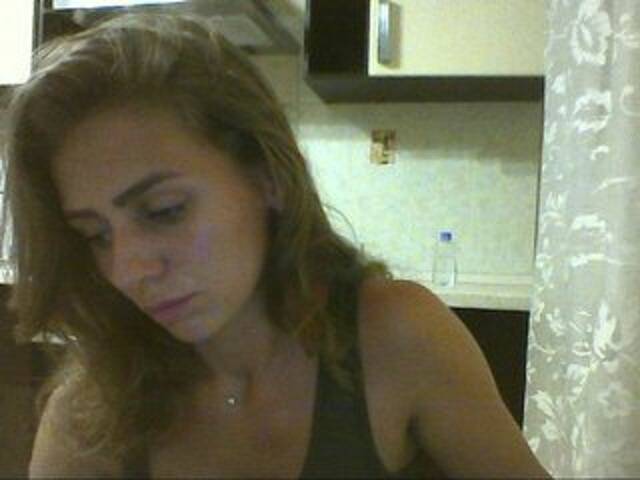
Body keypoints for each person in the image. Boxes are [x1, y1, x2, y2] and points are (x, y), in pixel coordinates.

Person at [4, 12, 551, 479]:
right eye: (95, 235)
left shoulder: (394, 337)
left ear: (267, 177)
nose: (128, 269)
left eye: (165, 210)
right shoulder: (92, 410)